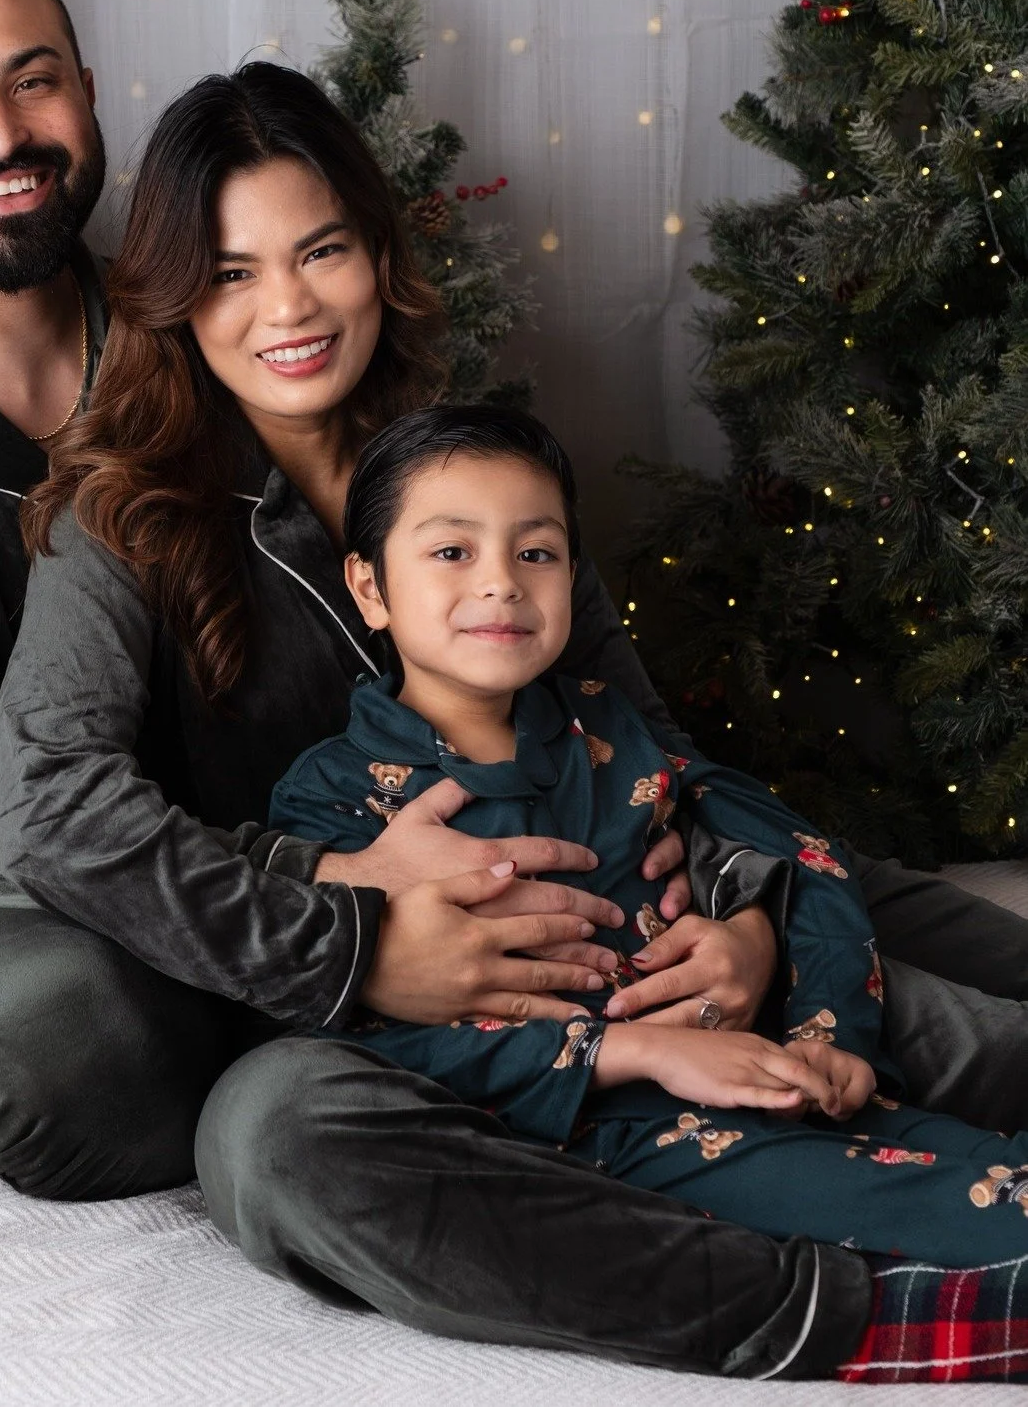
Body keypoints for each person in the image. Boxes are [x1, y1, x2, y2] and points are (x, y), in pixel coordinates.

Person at [0, 0, 1026, 1379]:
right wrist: (356, 915)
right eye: (231, 274)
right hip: (311, 942)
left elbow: (644, 732)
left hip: (584, 892)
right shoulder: (104, 508)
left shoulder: (456, 463)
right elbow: (33, 818)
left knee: (859, 909)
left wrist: (749, 914)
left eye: (321, 253)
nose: (283, 305)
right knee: (268, 1129)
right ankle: (855, 1308)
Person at [263, 402, 1028, 1381]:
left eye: (536, 553)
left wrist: (828, 1031)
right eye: (452, 552)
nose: (500, 580)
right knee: (963, 1215)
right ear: (369, 586)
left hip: (760, 1071)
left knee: (982, 1164)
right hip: (595, 1134)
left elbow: (800, 855)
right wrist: (634, 1050)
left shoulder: (607, 725)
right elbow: (362, 1032)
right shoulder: (333, 800)